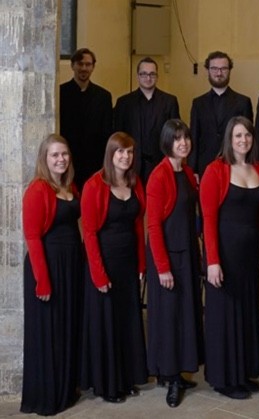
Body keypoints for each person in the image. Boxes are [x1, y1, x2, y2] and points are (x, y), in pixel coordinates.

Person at [200, 116, 259, 399]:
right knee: (224, 314)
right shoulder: (215, 171)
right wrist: (212, 261)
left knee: (246, 310)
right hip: (224, 253)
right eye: (238, 136)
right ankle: (224, 378)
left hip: (249, 253)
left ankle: (242, 372)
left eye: (248, 136)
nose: (243, 140)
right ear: (229, 139)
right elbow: (208, 219)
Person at [79, 132, 148, 403]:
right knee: (106, 323)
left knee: (127, 321)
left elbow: (137, 225)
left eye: (130, 152)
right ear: (110, 153)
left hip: (128, 262)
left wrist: (141, 264)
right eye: (120, 152)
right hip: (104, 262)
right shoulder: (95, 184)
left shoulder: (134, 181)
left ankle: (127, 377)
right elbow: (90, 233)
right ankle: (107, 384)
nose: (126, 157)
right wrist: (98, 274)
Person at [21, 134, 83, 415]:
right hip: (47, 266)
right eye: (55, 155)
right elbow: (32, 238)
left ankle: (65, 389)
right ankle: (47, 395)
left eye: (65, 154)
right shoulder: (37, 189)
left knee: (66, 327)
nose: (61, 159)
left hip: (70, 264)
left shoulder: (70, 186)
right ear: (44, 159)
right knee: (49, 331)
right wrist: (42, 280)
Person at [146, 119, 203, 408]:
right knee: (168, 316)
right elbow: (153, 226)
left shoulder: (189, 172)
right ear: (167, 142)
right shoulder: (159, 175)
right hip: (168, 255)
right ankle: (168, 376)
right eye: (177, 139)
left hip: (188, 251)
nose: (183, 143)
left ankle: (180, 370)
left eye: (186, 138)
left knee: (185, 312)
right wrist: (163, 267)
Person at [114, 57, 181, 183]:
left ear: (157, 76)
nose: (148, 78)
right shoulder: (123, 103)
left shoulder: (169, 102)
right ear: (138, 76)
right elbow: (118, 137)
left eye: (152, 74)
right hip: (131, 164)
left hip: (161, 163)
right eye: (144, 74)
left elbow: (175, 137)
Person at [189, 51, 254, 176]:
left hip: (235, 164)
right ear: (207, 70)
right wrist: (193, 169)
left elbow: (248, 138)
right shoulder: (198, 103)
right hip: (205, 166)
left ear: (230, 70)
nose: (219, 73)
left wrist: (248, 164)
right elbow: (194, 137)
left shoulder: (243, 102)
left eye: (223, 68)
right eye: (214, 68)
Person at [59, 48, 113, 188]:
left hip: (94, 162)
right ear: (72, 66)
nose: (84, 68)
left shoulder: (103, 97)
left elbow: (107, 132)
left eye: (88, 64)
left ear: (93, 67)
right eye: (80, 64)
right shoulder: (60, 93)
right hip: (67, 160)